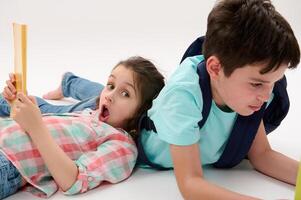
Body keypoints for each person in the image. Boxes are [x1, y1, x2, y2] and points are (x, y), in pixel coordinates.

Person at [1, 0, 300, 199]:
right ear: (215, 68)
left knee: (106, 93)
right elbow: (191, 184)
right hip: (129, 123)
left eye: (273, 83)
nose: (267, 95)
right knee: (66, 108)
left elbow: (262, 156)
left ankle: (73, 83)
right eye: (259, 83)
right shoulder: (183, 98)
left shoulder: (250, 92)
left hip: (137, 109)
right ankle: (68, 83)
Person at [0, 56, 165, 199]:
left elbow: (72, 180)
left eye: (125, 94)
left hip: (8, 162)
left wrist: (36, 126)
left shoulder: (122, 145)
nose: (109, 95)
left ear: (141, 112)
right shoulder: (91, 113)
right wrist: (20, 106)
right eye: (111, 85)